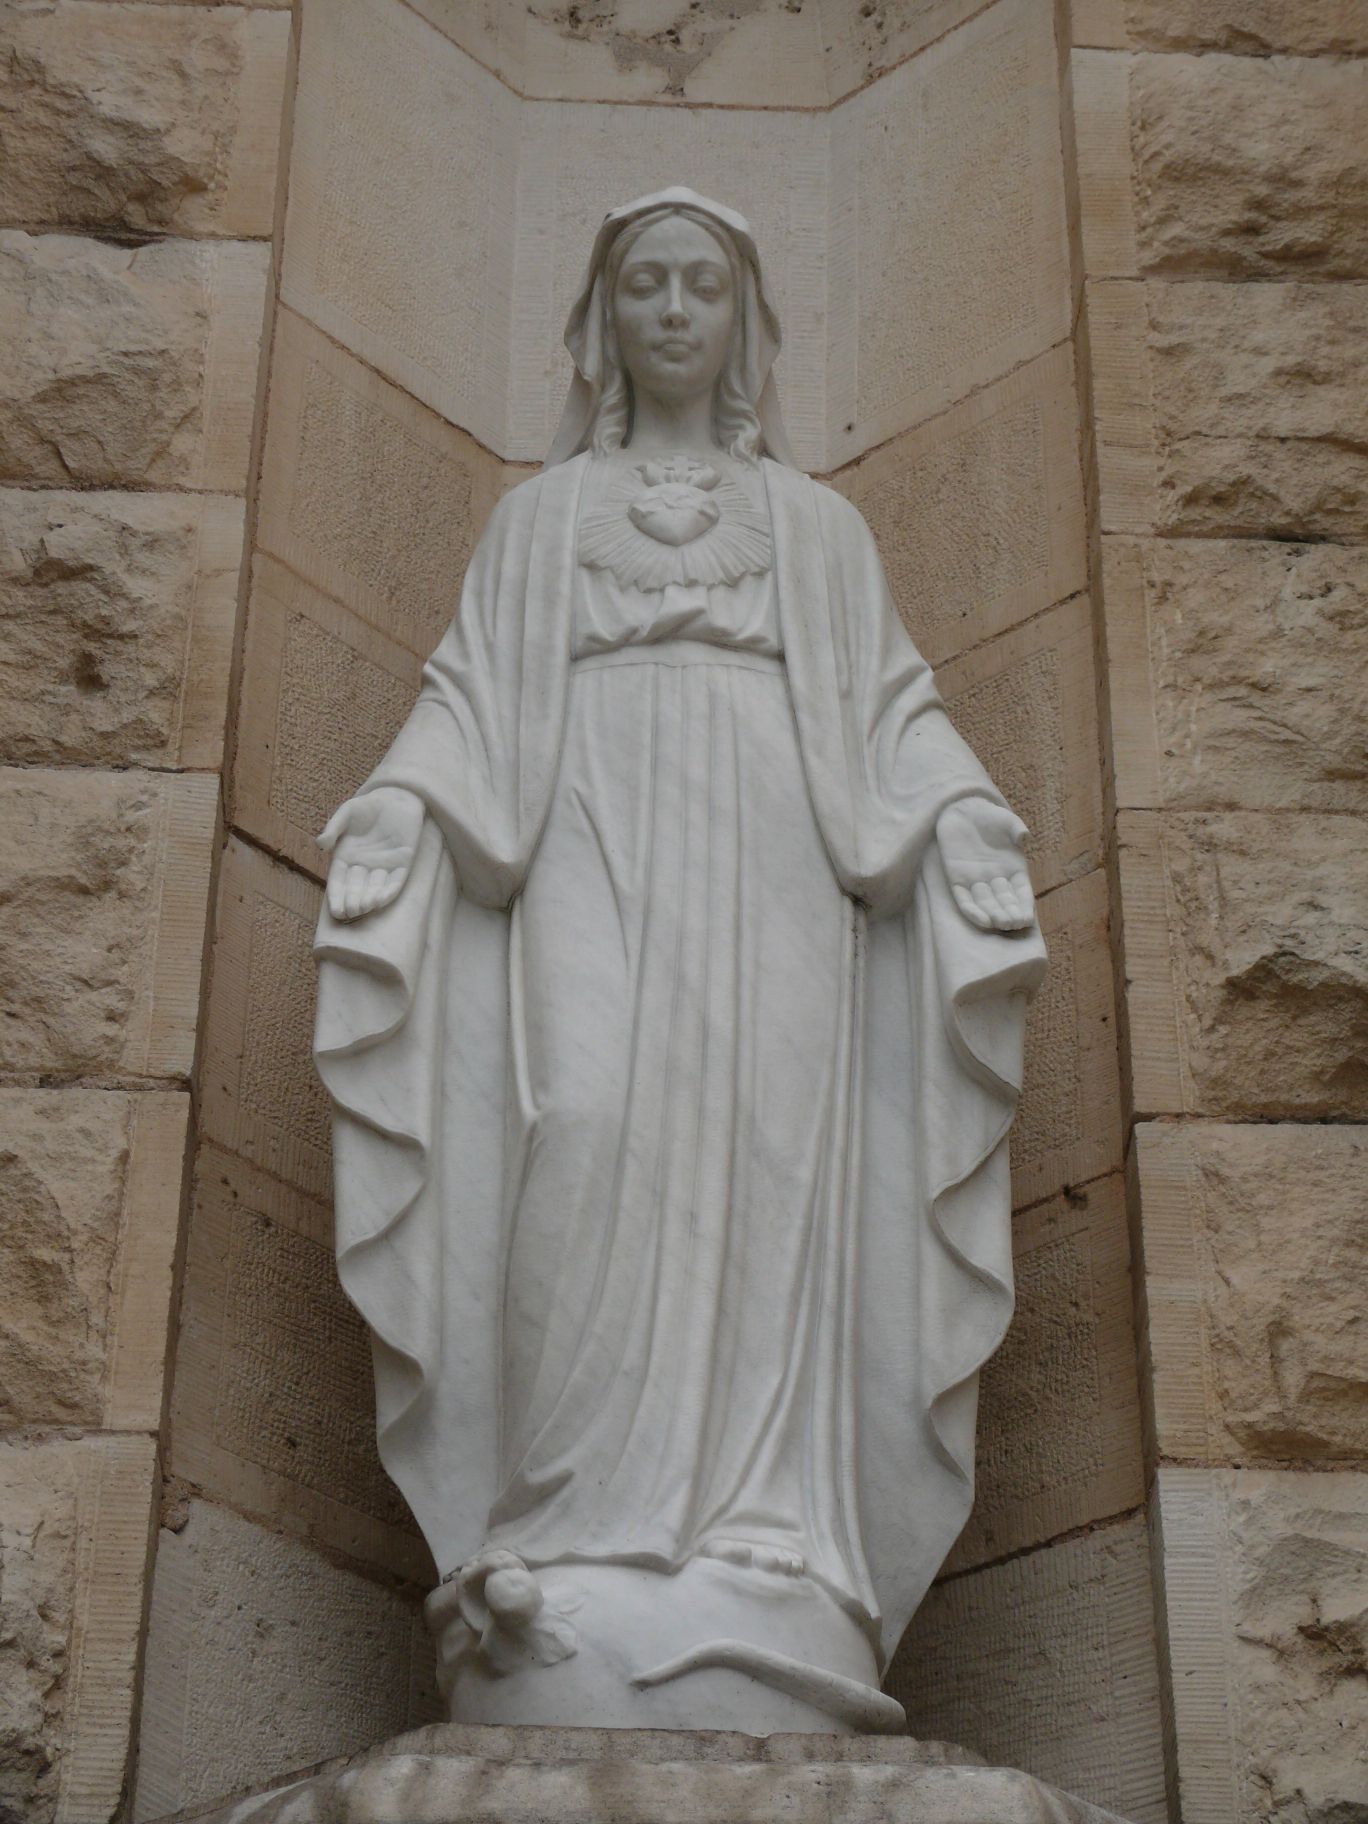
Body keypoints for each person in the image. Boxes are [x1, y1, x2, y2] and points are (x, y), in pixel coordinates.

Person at [314, 188, 1046, 1733]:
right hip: (584, 841)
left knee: (774, 1162)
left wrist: (967, 820)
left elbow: (896, 718)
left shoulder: (814, 529)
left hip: (782, 866)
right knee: (576, 1127)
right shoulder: (540, 521)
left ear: (740, 323)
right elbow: (467, 704)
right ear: (601, 319)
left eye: (698, 285)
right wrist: (396, 805)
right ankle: (558, 1524)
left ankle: (762, 1530)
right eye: (642, 284)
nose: (668, 310)